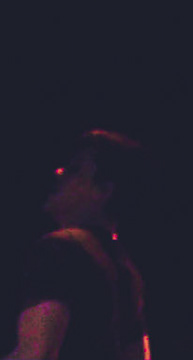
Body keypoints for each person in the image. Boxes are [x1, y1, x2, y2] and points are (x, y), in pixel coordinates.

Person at [7, 131, 150, 360]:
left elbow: (38, 354)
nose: (59, 174)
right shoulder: (127, 273)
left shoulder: (59, 250)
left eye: (75, 170)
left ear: (104, 191)